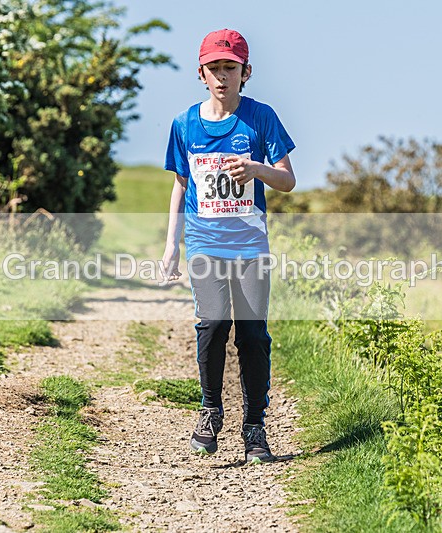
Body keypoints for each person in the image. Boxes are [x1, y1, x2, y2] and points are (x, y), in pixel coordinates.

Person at [161, 28, 296, 463]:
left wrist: (257, 168)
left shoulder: (261, 118)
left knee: (253, 334)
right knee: (214, 324)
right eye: (214, 68)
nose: (222, 76)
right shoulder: (184, 124)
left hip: (250, 244)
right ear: (201, 73)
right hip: (203, 240)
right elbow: (180, 187)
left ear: (246, 72)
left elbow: (288, 180)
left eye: (230, 68)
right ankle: (210, 410)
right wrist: (170, 247)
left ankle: (255, 424)